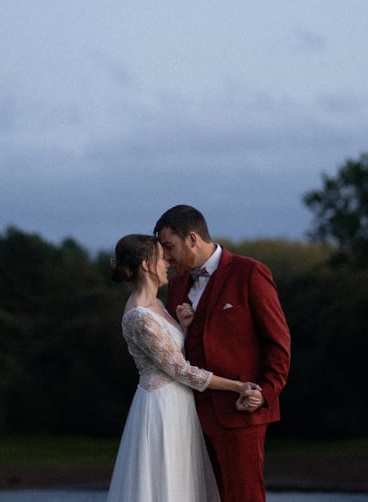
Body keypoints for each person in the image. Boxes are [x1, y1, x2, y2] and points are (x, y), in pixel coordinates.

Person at [107, 233, 263, 502]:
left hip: (179, 404)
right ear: (146, 264)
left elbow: (172, 351)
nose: (167, 261)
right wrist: (236, 385)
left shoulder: (156, 304)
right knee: (165, 482)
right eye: (161, 255)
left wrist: (184, 328)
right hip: (161, 407)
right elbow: (180, 370)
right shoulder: (138, 316)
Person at [154, 205, 292, 502]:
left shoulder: (250, 273)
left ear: (192, 238)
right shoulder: (176, 284)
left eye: (169, 246)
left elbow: (278, 344)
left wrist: (265, 392)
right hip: (189, 414)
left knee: (244, 496)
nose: (165, 257)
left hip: (240, 410)